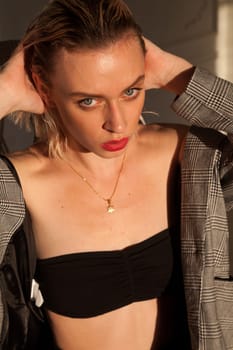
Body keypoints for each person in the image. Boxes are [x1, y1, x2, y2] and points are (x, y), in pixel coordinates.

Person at [0, 1, 233, 349]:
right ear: (44, 89)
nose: (118, 124)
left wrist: (176, 73)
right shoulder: (22, 181)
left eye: (130, 91)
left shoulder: (183, 152)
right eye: (88, 101)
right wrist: (3, 92)